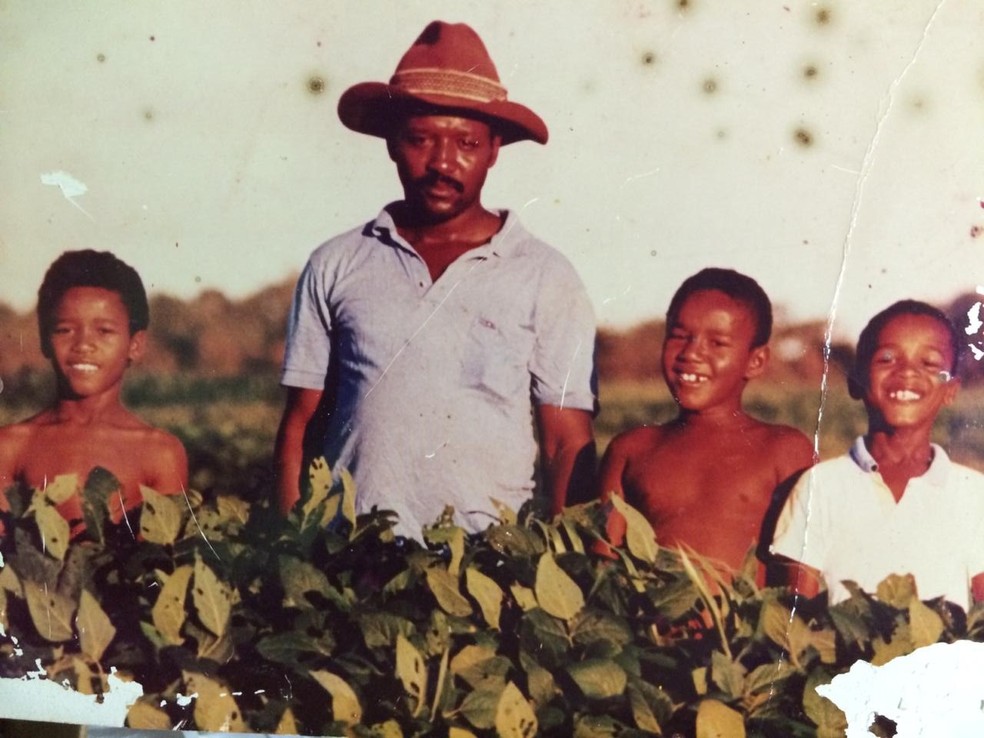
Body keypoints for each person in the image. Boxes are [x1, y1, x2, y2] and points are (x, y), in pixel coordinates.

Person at [275, 21, 597, 537]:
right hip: (352, 555)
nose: (443, 162)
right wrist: (293, 548)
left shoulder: (546, 275)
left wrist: (567, 560)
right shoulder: (336, 263)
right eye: (421, 139)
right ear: (391, 144)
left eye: (466, 142)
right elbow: (300, 425)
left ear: (494, 149)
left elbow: (567, 442)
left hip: (490, 564)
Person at [598, 268, 814, 574]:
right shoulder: (631, 449)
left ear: (756, 361)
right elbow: (601, 562)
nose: (691, 353)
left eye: (717, 343)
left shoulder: (784, 450)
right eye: (679, 336)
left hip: (745, 621)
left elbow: (803, 575)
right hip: (648, 621)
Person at [770, 300, 984, 608]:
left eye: (929, 364)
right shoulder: (820, 487)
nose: (907, 373)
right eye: (887, 359)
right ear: (857, 380)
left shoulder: (974, 494)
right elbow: (792, 619)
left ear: (950, 389)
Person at [0, 250, 188, 537]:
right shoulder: (12, 446)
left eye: (104, 331)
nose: (84, 344)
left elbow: (160, 566)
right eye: (65, 330)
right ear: (44, 339)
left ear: (135, 345)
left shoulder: (159, 452)